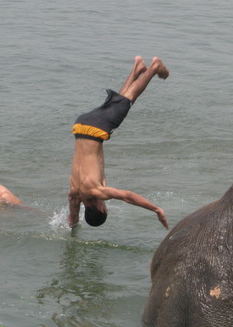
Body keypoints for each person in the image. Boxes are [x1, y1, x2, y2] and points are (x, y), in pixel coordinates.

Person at [68, 56, 170, 229]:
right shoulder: (74, 193)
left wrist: (156, 210)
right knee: (118, 104)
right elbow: (73, 215)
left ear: (101, 208)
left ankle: (154, 68)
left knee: (129, 99)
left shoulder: (96, 191)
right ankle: (137, 69)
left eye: (104, 206)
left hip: (96, 130)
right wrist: (73, 226)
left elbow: (128, 196)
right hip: (80, 127)